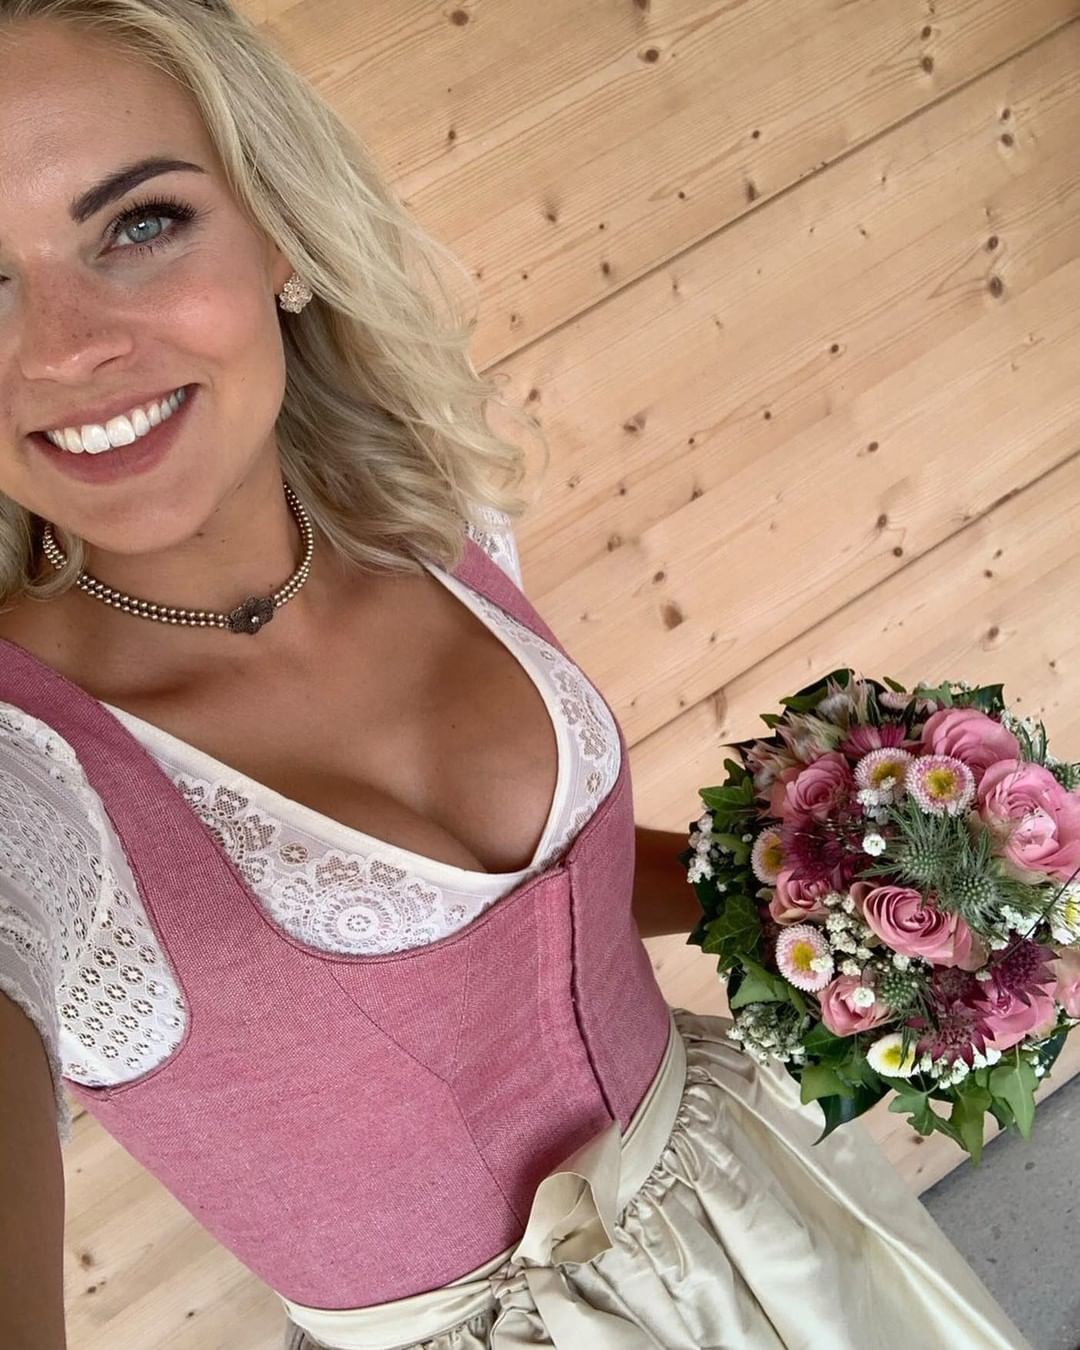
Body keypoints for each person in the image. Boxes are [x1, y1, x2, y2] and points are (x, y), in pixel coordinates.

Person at [0, 4, 1036, 1348]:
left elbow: (557, 899)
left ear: (280, 230)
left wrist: (840, 897)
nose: (68, 346)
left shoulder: (426, 518)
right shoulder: (27, 791)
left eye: (141, 224)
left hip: (766, 1210)